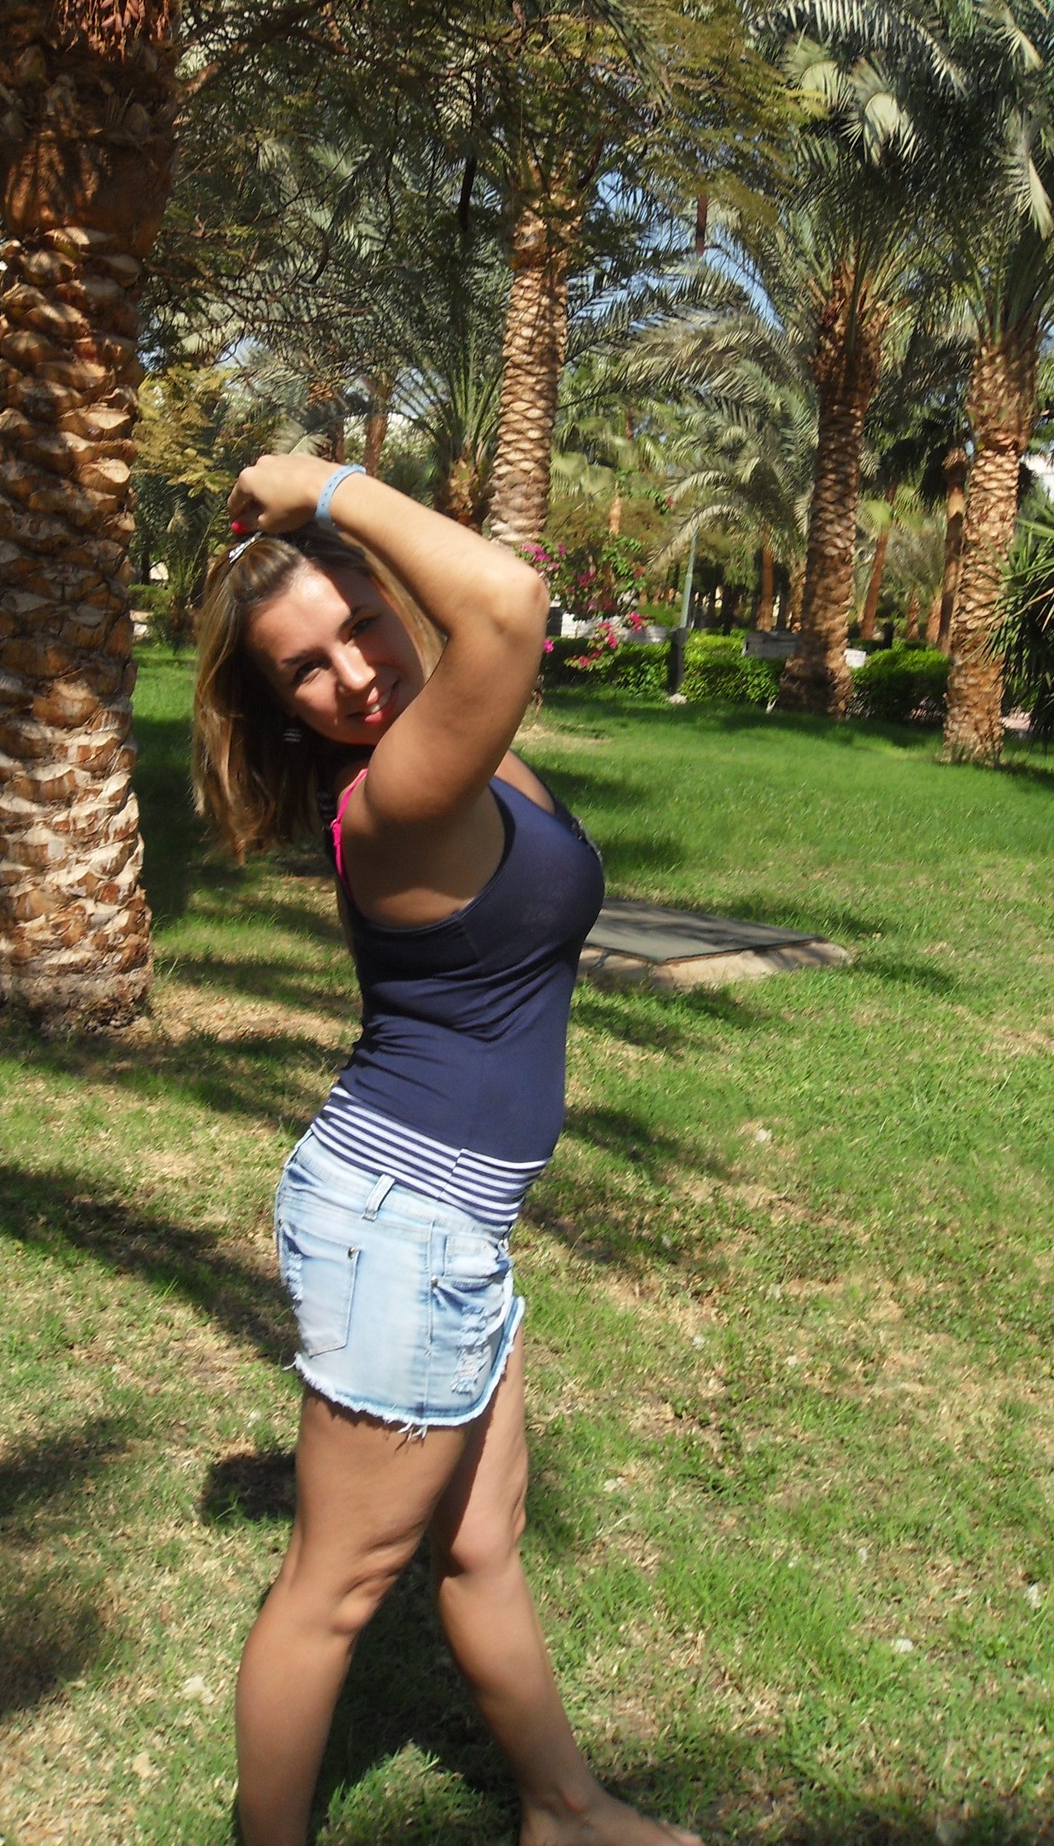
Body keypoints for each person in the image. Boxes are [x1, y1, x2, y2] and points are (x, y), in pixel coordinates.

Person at [193, 452, 703, 1846]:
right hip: (398, 1225)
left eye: (360, 624)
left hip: (443, 1224)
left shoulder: (458, 737)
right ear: (282, 707)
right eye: (306, 670)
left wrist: (336, 527)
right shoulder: (402, 790)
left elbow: (484, 616)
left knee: (480, 1544)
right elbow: (511, 603)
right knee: (335, 1589)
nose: (354, 675)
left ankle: (567, 1813)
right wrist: (323, 483)